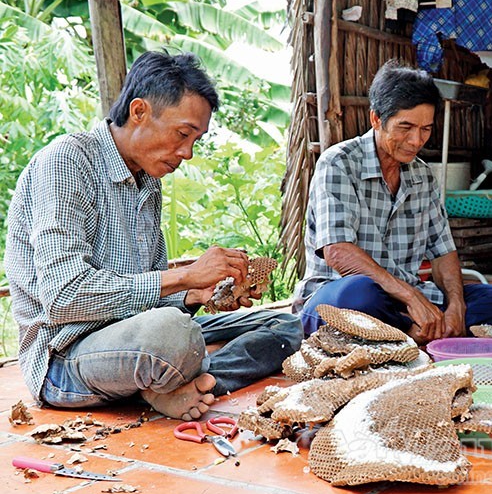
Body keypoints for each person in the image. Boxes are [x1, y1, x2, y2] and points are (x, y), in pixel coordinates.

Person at [5, 51, 302, 421]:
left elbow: (153, 298)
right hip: (67, 357)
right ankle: (174, 379)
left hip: (137, 336)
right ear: (139, 112)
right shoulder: (66, 161)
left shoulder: (148, 179)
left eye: (196, 139)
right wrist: (186, 275)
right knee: (173, 334)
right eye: (182, 134)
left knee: (284, 325)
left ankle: (183, 385)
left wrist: (197, 293)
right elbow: (64, 297)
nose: (188, 153)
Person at [294, 59, 492, 342]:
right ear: (376, 119)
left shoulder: (422, 174)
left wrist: (456, 307)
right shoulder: (338, 163)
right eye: (405, 127)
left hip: (401, 304)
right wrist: (411, 296)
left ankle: (406, 333)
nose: (416, 140)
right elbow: (337, 251)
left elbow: (443, 251)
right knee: (358, 294)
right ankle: (412, 330)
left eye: (426, 129)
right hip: (339, 298)